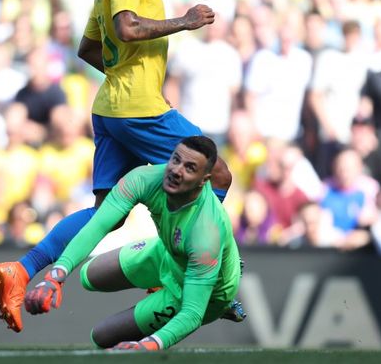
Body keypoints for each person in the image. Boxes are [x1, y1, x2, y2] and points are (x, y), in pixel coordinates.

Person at [0, 0, 235, 333]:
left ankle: (23, 270)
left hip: (109, 109)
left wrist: (123, 74)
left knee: (108, 211)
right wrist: (185, 20)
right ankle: (180, 273)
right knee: (217, 175)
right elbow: (127, 28)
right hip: (140, 109)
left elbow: (87, 48)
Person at [23, 136, 241, 351]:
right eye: (176, 160)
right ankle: (163, 280)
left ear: (204, 180)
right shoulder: (144, 179)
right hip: (168, 253)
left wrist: (148, 346)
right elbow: (97, 226)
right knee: (90, 275)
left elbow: (192, 314)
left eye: (190, 168)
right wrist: (55, 276)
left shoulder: (206, 233)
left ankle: (221, 302)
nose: (176, 170)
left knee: (102, 336)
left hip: (204, 292)